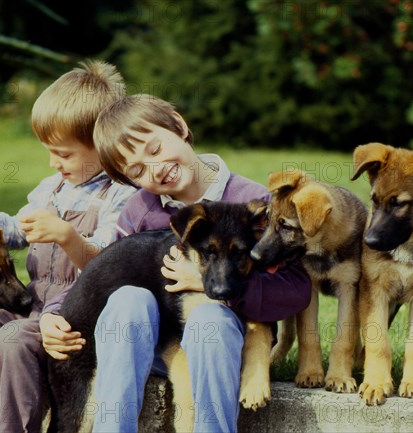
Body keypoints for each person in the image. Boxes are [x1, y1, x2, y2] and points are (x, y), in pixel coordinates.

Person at [89, 94, 311, 433]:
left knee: (210, 318)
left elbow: (295, 290)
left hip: (219, 350)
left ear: (179, 126)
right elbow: (103, 271)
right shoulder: (139, 210)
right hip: (153, 349)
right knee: (125, 300)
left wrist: (209, 284)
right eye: (137, 170)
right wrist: (55, 313)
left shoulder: (255, 205)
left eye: (155, 149)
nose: (156, 168)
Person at [0, 60, 136, 433]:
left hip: (74, 321)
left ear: (102, 144)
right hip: (33, 306)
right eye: (48, 151)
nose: (52, 163)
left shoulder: (121, 196)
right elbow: (17, 228)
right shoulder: (51, 190)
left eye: (63, 154)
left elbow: (109, 262)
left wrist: (68, 236)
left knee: (12, 340)